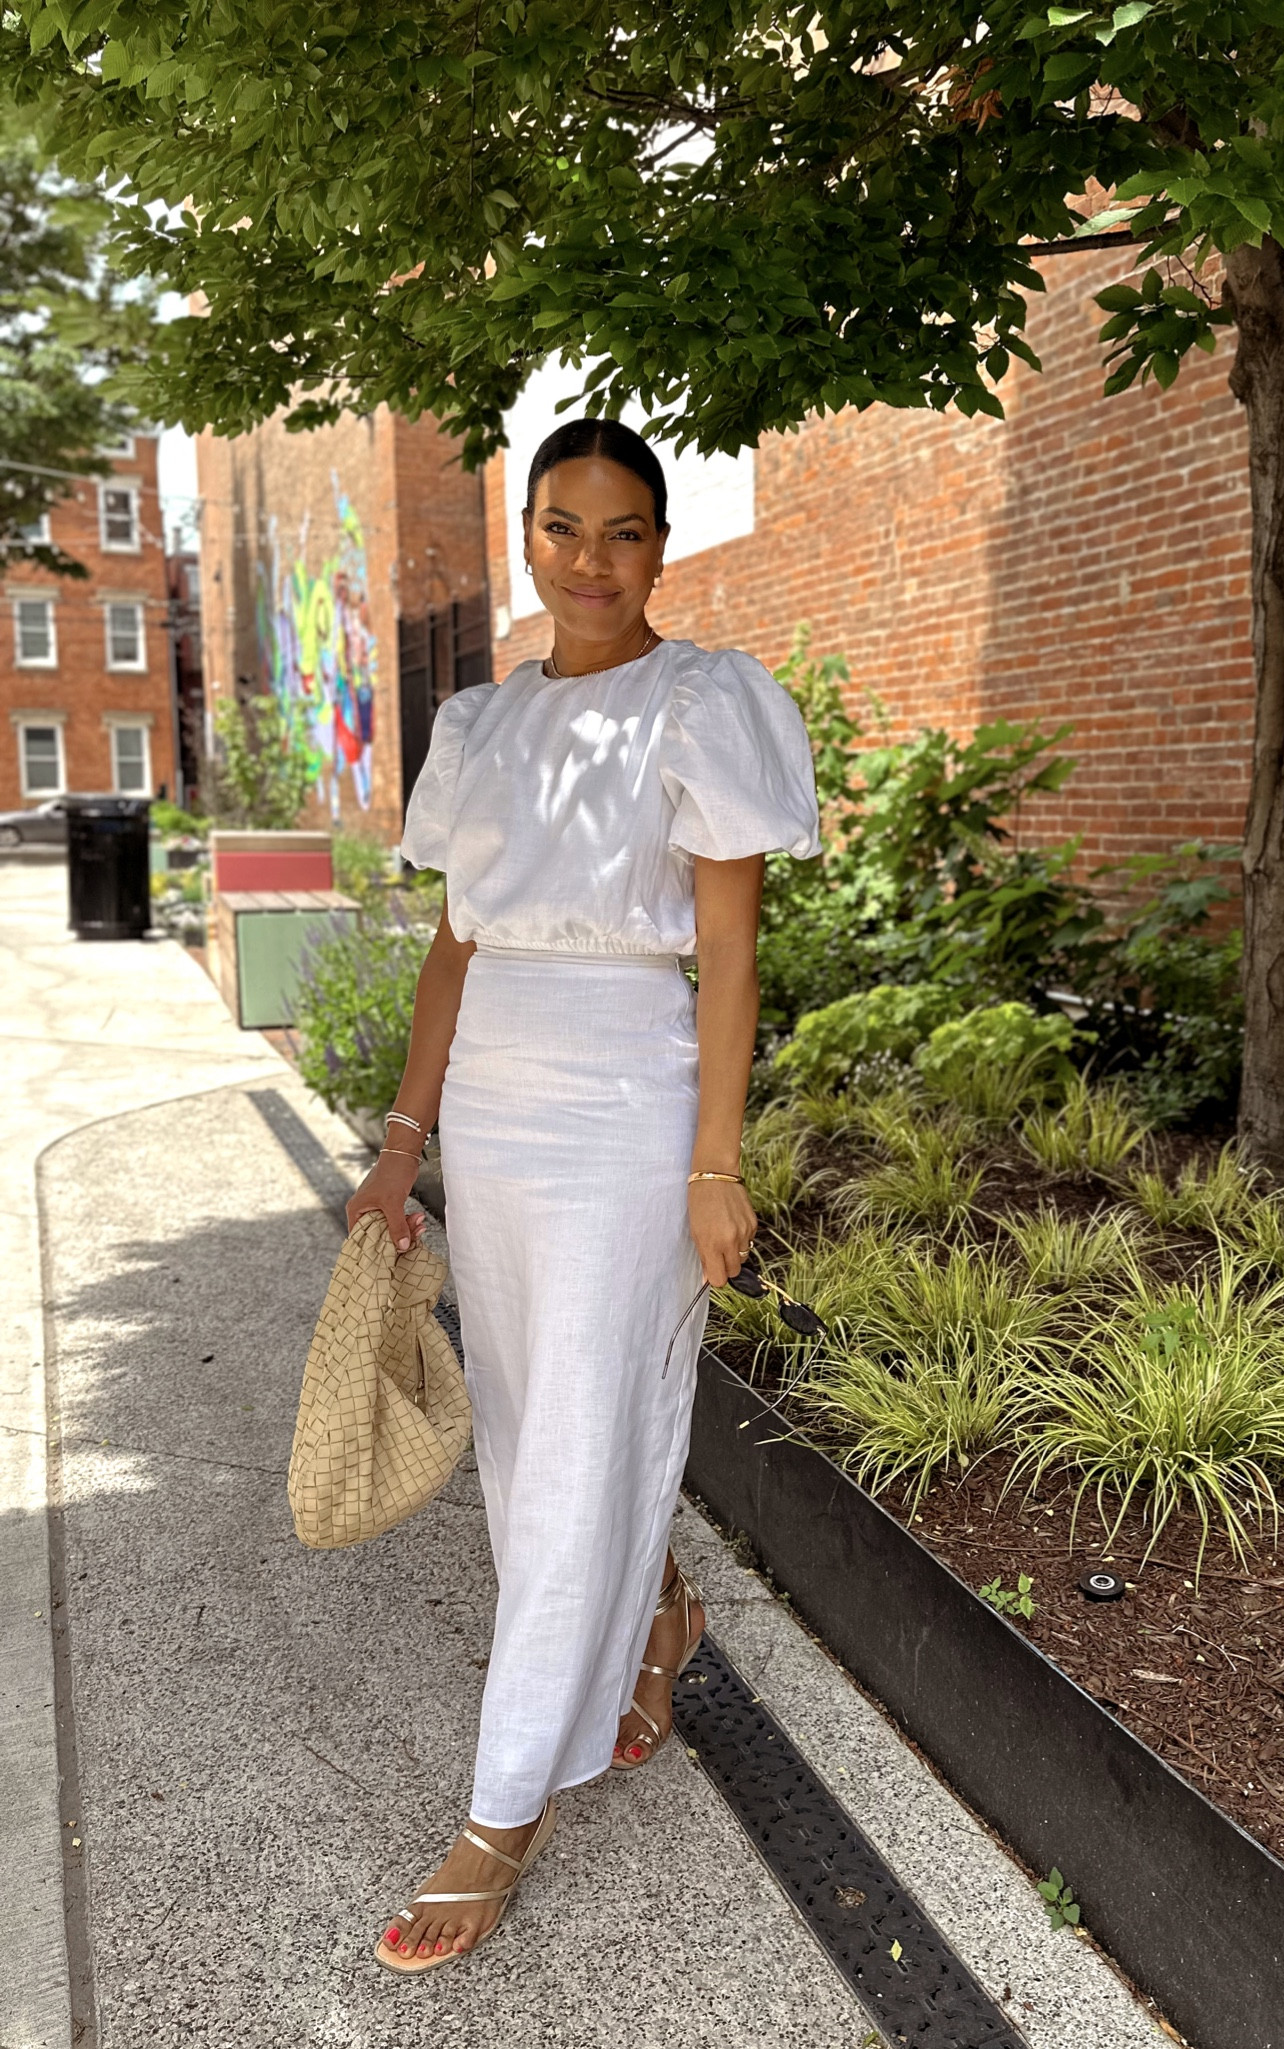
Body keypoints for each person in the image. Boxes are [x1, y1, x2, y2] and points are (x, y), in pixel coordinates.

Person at [346, 417, 821, 1972]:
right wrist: (402, 1140)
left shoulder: (703, 702)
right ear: (526, 541)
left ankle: (502, 1806)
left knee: (569, 1446)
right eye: (563, 528)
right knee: (532, 1423)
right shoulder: (476, 726)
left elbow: (732, 955)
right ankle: (656, 1611)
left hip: (630, 1104)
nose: (593, 559)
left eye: (624, 531)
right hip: (491, 1103)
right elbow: (453, 947)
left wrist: (714, 1160)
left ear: (660, 545)